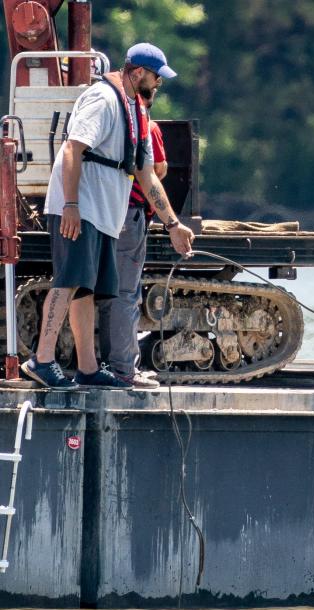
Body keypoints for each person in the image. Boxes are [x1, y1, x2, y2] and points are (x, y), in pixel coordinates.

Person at [20, 43, 194, 389]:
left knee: (86, 288)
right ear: (139, 72)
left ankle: (87, 367)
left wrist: (173, 224)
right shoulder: (103, 99)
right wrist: (70, 205)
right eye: (156, 77)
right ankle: (41, 360)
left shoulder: (136, 111)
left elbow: (146, 174)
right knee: (68, 280)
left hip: (102, 214)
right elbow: (73, 148)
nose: (159, 84)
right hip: (80, 208)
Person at [97, 86, 171, 389]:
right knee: (127, 293)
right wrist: (173, 222)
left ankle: (105, 363)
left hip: (107, 210)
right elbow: (157, 170)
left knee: (105, 293)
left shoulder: (112, 122)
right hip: (132, 212)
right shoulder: (146, 126)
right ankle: (124, 368)